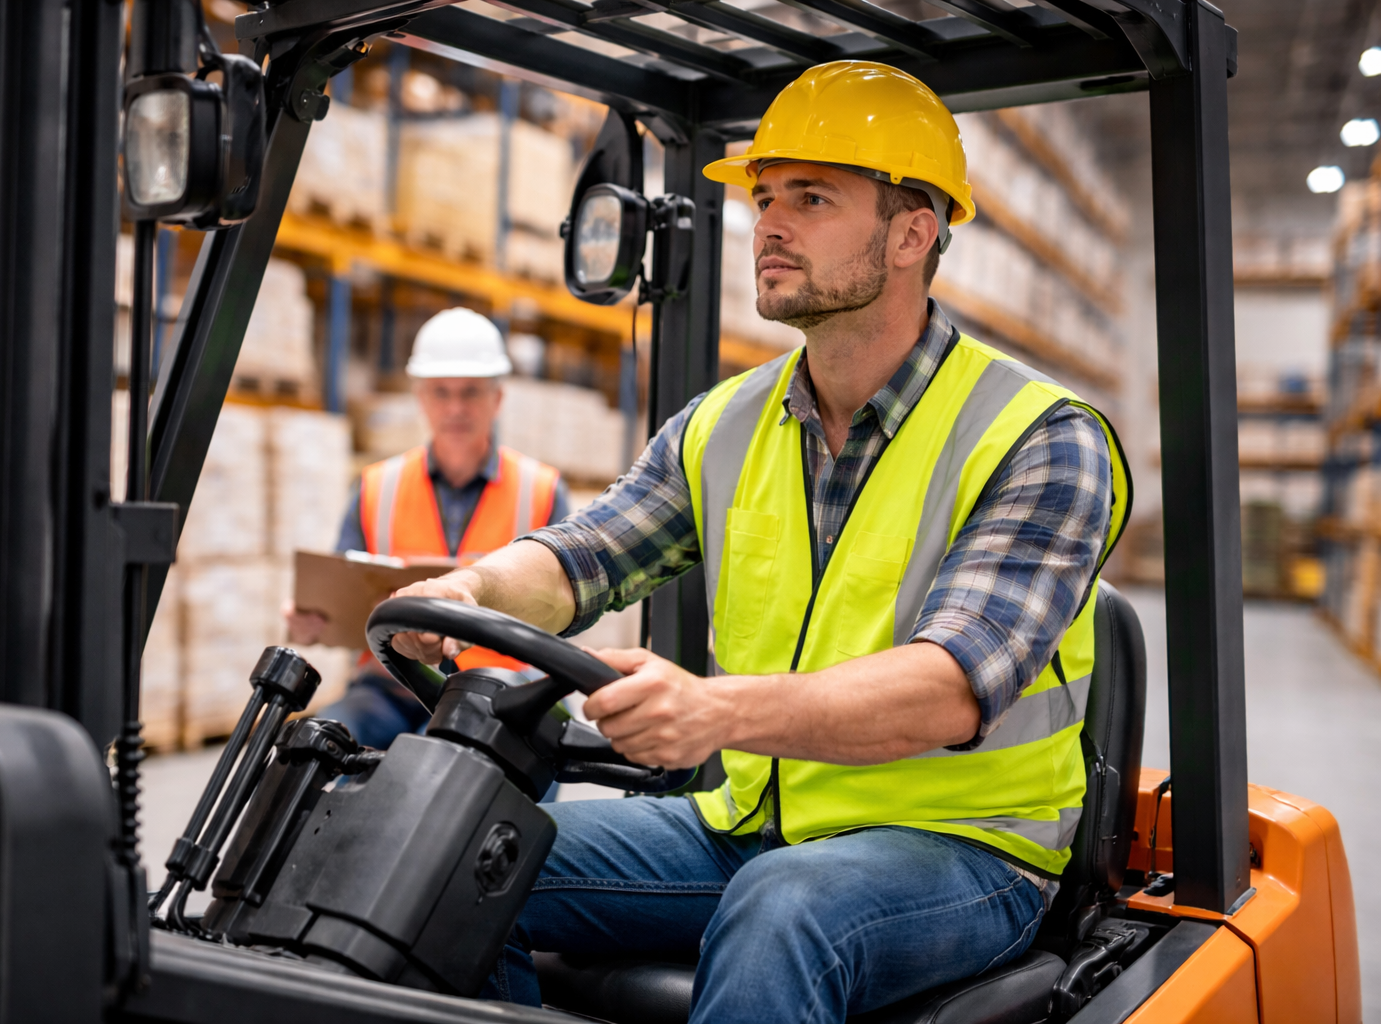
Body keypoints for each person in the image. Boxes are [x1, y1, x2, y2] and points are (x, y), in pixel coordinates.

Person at [388, 61, 1130, 1022]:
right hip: (749, 825)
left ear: (915, 232)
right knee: (448, 849)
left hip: (961, 847)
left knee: (785, 907)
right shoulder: (725, 422)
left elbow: (951, 688)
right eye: (765, 197)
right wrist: (472, 590)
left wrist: (715, 713)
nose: (769, 225)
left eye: (811, 199)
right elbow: (587, 556)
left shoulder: (1039, 435)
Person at [286, 307, 572, 749]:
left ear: (497, 398)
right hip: (391, 685)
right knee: (313, 746)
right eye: (441, 392)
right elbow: (344, 593)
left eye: (470, 392)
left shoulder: (542, 490)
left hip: (500, 690)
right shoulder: (376, 487)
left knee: (440, 763)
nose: (455, 408)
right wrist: (314, 621)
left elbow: (566, 607)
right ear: (420, 397)